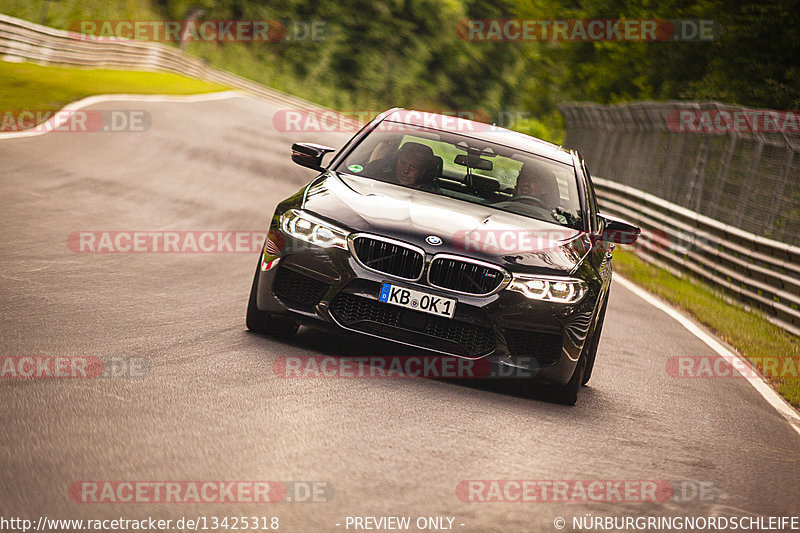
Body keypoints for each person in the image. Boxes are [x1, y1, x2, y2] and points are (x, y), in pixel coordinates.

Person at [364, 142, 439, 190]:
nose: (406, 170)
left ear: (422, 171)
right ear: (396, 163)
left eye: (413, 167)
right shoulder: (378, 180)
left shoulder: (432, 193)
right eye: (403, 163)